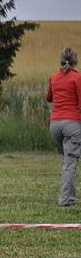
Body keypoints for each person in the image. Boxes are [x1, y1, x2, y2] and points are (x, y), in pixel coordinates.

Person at [46, 47, 81, 206]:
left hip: (55, 126)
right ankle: (66, 199)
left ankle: (68, 193)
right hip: (72, 124)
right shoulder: (77, 78)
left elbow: (49, 98)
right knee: (70, 162)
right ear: (75, 61)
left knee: (68, 160)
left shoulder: (53, 77)